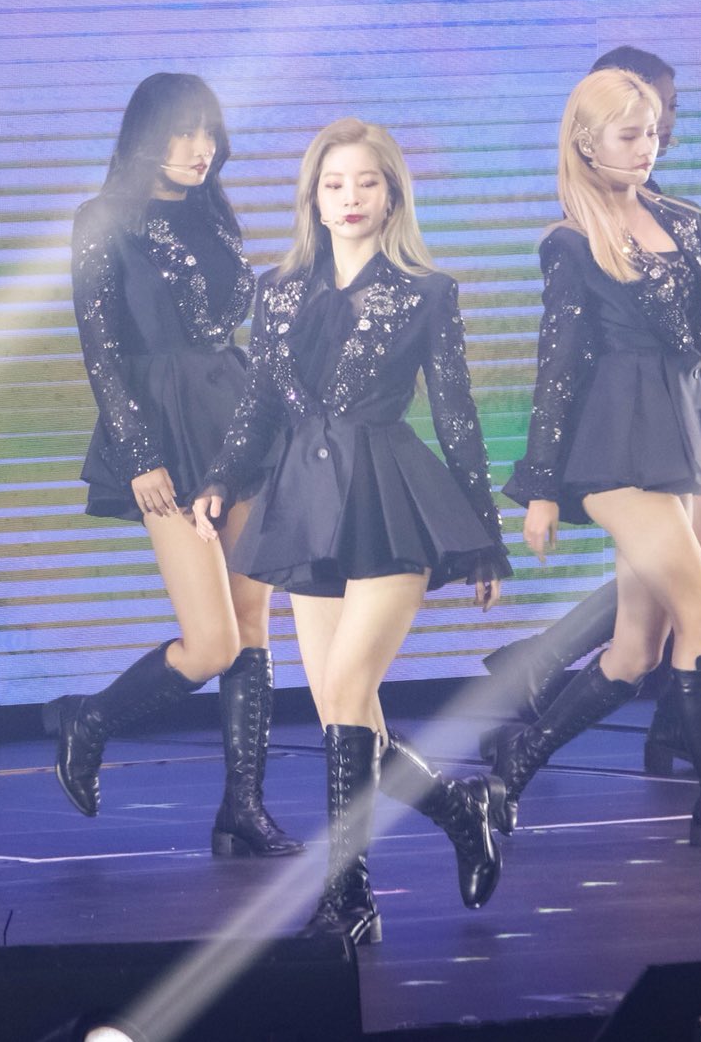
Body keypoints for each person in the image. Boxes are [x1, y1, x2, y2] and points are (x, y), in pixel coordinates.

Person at [192, 118, 511, 945]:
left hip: (390, 498)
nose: (350, 198)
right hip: (305, 505)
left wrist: (485, 535)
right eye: (334, 184)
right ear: (313, 197)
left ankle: (347, 898)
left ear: (393, 194)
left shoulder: (426, 292)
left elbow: (457, 418)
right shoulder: (277, 292)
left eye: (367, 181)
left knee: (345, 697)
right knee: (344, 709)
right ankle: (459, 809)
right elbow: (258, 407)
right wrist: (221, 478)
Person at [496, 68, 701, 851]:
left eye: (652, 132)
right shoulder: (570, 243)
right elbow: (557, 369)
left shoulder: (681, 221)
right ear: (587, 143)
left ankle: (517, 760)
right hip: (616, 444)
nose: (647, 147)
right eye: (630, 135)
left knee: (635, 649)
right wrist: (541, 488)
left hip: (680, 431)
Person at [42, 74, 301, 858]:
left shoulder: (214, 213)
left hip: (237, 418)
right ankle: (90, 719)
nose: (201, 150)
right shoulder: (102, 220)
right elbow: (101, 352)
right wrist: (139, 455)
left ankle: (242, 808)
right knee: (211, 643)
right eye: (185, 133)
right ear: (147, 136)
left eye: (209, 133)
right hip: (163, 429)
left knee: (252, 628)